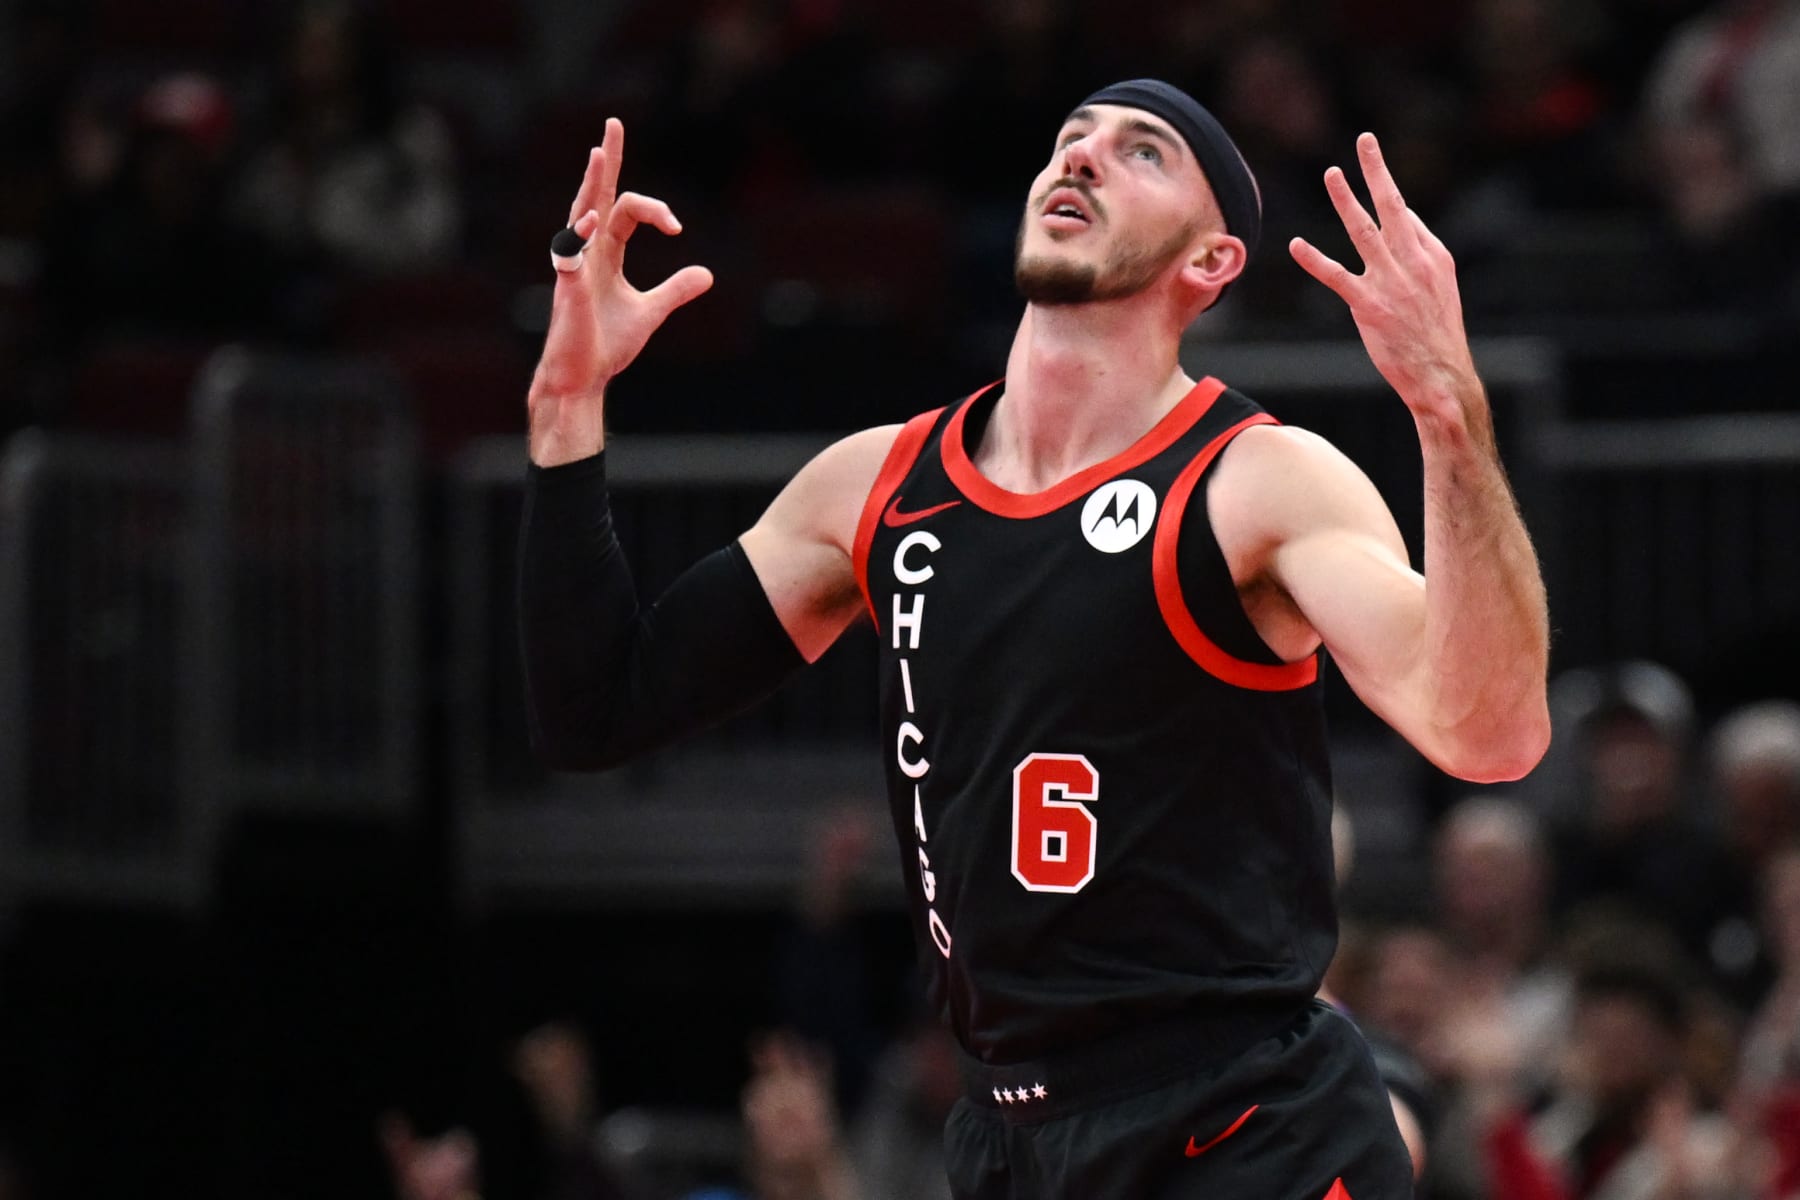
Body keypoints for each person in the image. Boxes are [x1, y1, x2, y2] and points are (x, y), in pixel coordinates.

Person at [518, 79, 1550, 1198]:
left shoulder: (1258, 480)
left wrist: (1449, 411)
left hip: (1243, 1128)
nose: (1085, 160)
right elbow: (597, 711)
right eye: (1070, 141)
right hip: (1011, 1139)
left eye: (1142, 152)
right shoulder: (880, 485)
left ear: (1210, 262)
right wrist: (567, 405)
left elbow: (1488, 731)